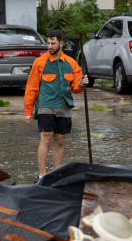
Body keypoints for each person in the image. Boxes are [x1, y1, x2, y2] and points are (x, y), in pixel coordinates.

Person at [24, 29, 89, 179]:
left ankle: (56, 175)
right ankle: (42, 176)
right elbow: (31, 88)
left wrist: (81, 83)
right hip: (45, 105)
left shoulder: (71, 63)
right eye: (48, 43)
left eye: (53, 43)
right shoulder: (39, 62)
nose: (50, 46)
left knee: (59, 141)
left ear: (61, 43)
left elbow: (76, 88)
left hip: (64, 106)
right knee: (46, 138)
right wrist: (28, 111)